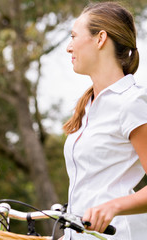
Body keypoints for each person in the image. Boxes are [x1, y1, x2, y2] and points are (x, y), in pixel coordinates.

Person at [61, 1, 147, 239]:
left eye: (74, 36)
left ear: (100, 39)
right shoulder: (88, 105)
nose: (69, 47)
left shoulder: (132, 102)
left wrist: (113, 206)